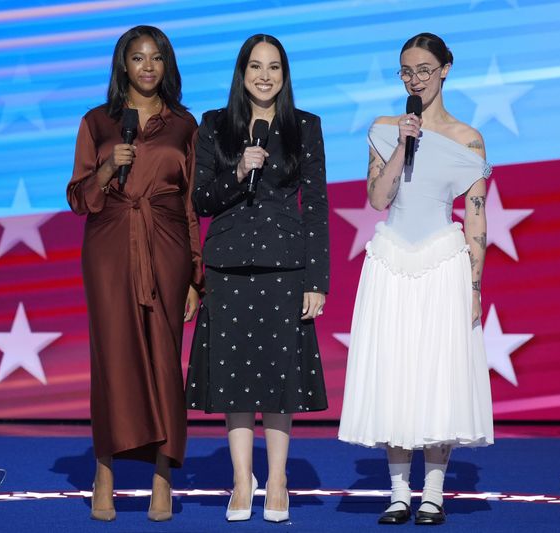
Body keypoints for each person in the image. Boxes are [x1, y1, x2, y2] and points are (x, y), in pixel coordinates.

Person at [338, 32, 494, 526]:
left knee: (437, 373)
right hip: (390, 262)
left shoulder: (469, 139)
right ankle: (398, 492)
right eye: (407, 71)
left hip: (442, 263)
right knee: (395, 371)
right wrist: (403, 143)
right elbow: (379, 200)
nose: (416, 80)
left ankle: (433, 492)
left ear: (445, 69)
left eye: (425, 70)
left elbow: (475, 220)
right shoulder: (386, 128)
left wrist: (474, 287)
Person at [185, 34, 329, 523]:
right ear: (241, 72)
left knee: (278, 381)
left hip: (285, 268)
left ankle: (280, 479)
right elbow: (200, 200)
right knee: (234, 380)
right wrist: (237, 170)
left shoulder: (305, 126)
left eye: (274, 68)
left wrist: (317, 279)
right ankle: (242, 480)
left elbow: (317, 207)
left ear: (284, 75)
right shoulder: (214, 125)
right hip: (227, 267)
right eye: (255, 67)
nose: (264, 76)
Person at [66, 25, 202, 523]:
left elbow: (190, 206)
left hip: (165, 248)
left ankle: (162, 477)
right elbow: (78, 198)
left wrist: (193, 275)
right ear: (123, 64)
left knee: (166, 360)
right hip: (107, 249)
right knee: (113, 359)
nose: (148, 67)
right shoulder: (97, 122)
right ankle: (105, 472)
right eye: (138, 58)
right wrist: (106, 170)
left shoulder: (184, 125)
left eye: (157, 58)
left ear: (167, 66)